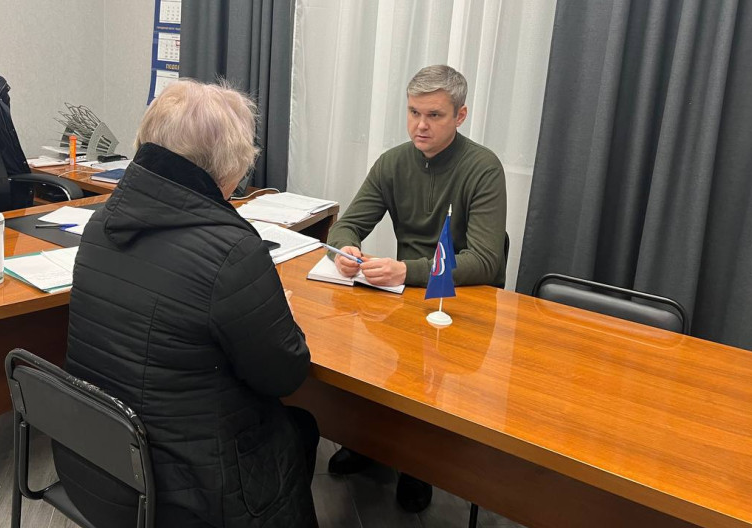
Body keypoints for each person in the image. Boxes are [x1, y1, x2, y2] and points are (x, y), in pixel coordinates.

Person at [53, 79, 319, 527]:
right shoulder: (232, 253)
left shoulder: (101, 223)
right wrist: (280, 318)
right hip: (183, 500)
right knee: (300, 427)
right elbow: (285, 375)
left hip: (94, 469)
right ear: (229, 165)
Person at [325, 64, 507, 512]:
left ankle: (417, 464)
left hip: (459, 300)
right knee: (357, 350)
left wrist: (406, 271)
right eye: (413, 112)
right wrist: (345, 250)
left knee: (428, 371)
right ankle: (370, 442)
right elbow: (347, 225)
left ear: (460, 115)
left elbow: (486, 261)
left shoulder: (483, 167)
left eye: (434, 115)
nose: (420, 126)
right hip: (404, 292)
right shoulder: (393, 162)